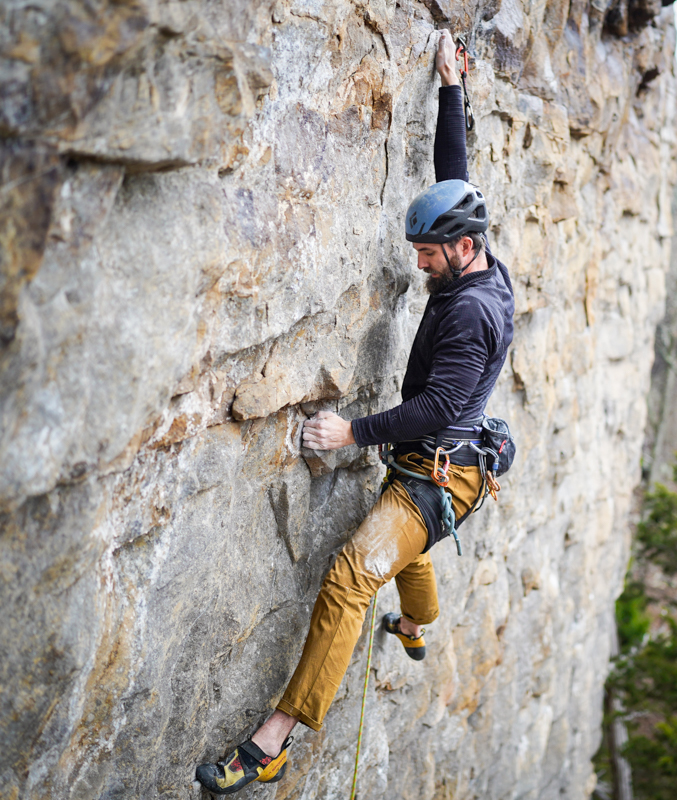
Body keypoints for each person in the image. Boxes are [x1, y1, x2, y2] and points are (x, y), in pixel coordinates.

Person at [195, 30, 515, 794]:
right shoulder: (475, 248)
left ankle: (273, 742)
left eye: (428, 254)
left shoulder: (473, 313)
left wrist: (353, 431)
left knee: (351, 575)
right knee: (402, 553)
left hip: (438, 477)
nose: (418, 261)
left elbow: (437, 402)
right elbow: (454, 176)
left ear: (461, 251)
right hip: (434, 463)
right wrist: (449, 88)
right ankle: (416, 625)